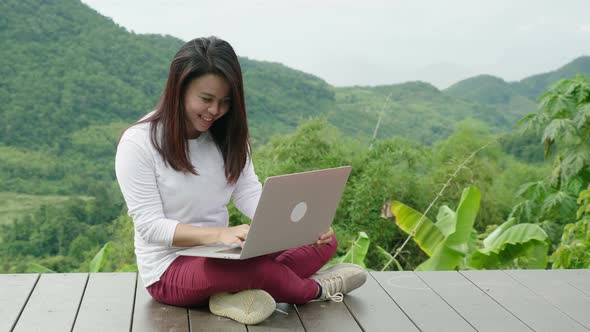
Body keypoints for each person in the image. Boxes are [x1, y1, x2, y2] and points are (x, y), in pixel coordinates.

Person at [115, 36, 367, 325]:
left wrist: (299, 228)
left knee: (324, 242)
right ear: (179, 89)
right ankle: (316, 289)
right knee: (258, 269)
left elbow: (248, 193)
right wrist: (219, 235)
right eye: (206, 99)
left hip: (223, 254)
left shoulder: (228, 137)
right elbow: (149, 227)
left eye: (224, 102)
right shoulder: (139, 144)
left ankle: (232, 293)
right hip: (169, 267)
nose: (214, 111)